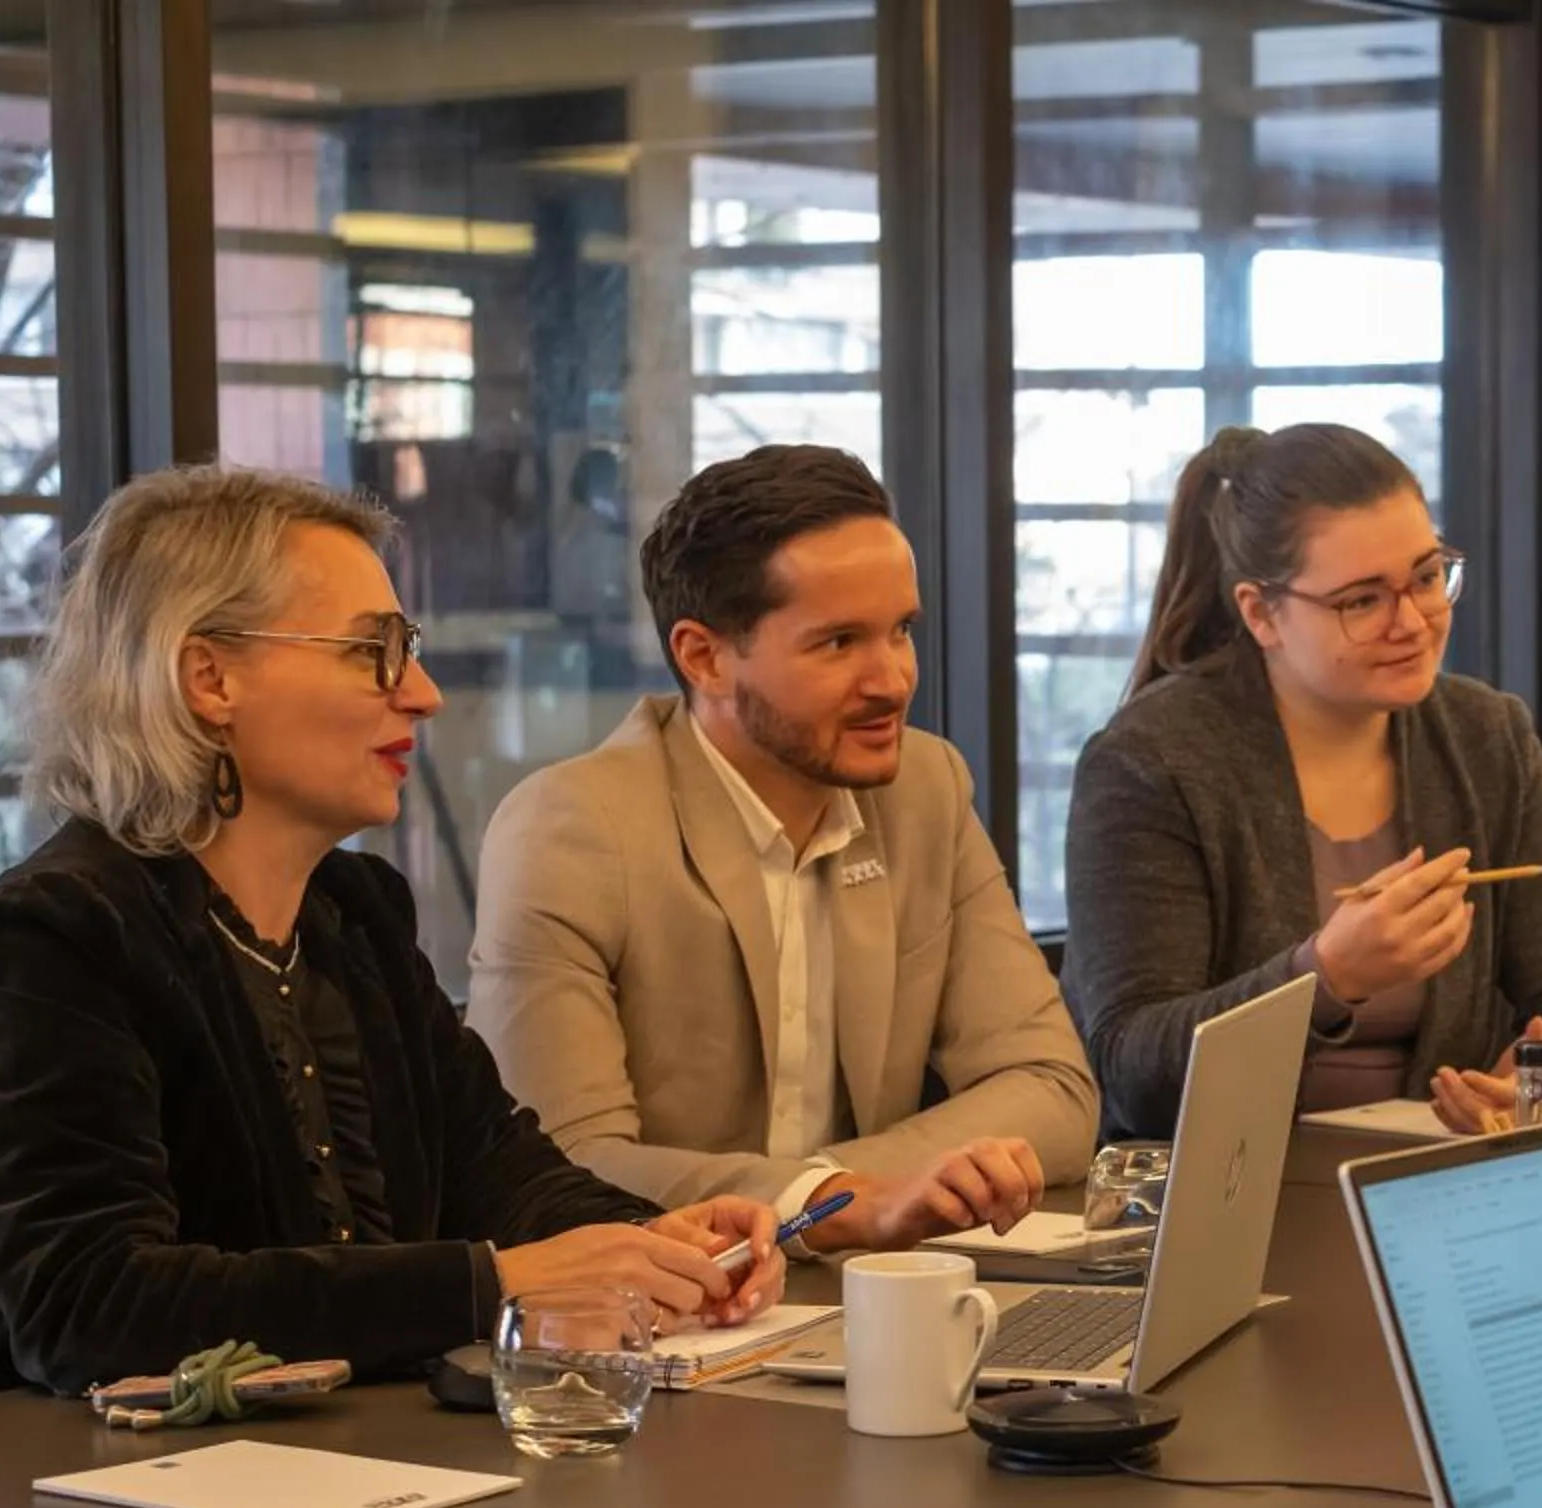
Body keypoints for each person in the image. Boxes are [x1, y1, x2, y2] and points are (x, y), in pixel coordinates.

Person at [0, 463, 788, 1508]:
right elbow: (87, 1307)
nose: (430, 694)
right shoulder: (58, 943)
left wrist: (665, 1242)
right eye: (376, 651)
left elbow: (498, 1164)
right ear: (209, 679)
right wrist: (503, 1278)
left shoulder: (355, 919)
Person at [468, 445, 1096, 1253]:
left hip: (862, 1296)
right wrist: (832, 1203)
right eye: (838, 643)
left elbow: (1054, 1095)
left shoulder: (925, 790)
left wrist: (823, 1198)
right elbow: (557, 1165)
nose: (893, 679)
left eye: (900, 631)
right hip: (658, 1325)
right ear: (704, 657)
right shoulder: (572, 828)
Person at [1061, 422, 1542, 1137]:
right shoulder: (1152, 760)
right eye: (1362, 601)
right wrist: (1325, 979)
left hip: (1433, 1181)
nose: (1414, 622)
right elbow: (1131, 1070)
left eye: (1427, 578)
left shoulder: (1487, 736)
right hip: (1224, 1197)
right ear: (1261, 613)